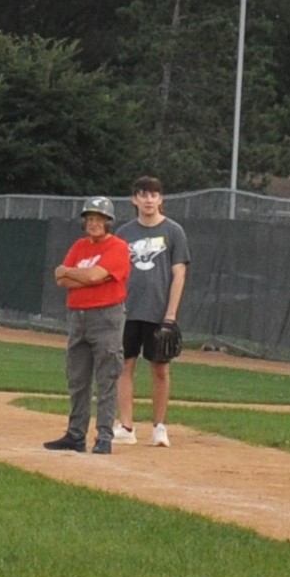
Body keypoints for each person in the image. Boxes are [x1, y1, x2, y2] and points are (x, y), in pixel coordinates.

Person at [43, 195, 129, 455]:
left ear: (108, 222)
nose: (94, 223)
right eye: (90, 219)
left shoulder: (118, 247)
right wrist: (84, 278)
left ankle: (104, 436)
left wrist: (74, 273)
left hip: (106, 317)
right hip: (78, 317)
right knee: (78, 378)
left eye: (99, 219)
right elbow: (60, 279)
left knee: (107, 378)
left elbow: (93, 274)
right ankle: (75, 434)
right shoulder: (79, 246)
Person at [110, 176, 191, 447]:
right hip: (127, 310)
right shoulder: (124, 233)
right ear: (134, 199)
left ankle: (159, 427)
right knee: (125, 366)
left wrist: (171, 314)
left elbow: (179, 273)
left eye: (154, 194)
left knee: (159, 369)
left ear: (161, 199)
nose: (148, 199)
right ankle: (127, 426)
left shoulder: (173, 231)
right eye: (143, 194)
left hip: (158, 312)